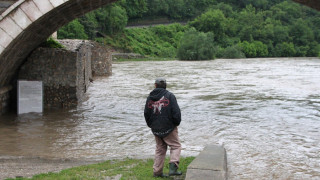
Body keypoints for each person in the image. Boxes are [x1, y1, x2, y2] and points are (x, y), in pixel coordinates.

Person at [144, 77, 182, 177]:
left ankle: (157, 172)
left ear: (155, 85)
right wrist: (175, 124)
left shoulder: (149, 97)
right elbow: (176, 113)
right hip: (169, 127)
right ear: (165, 85)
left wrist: (151, 125)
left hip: (156, 128)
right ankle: (173, 168)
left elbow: (146, 114)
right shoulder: (170, 96)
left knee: (160, 149)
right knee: (175, 146)